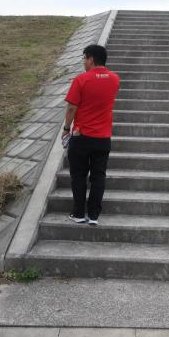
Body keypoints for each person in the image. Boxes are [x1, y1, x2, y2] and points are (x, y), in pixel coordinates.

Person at [62, 44, 120, 226]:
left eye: (84, 59)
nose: (84, 62)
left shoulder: (81, 80)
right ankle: (94, 215)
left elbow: (72, 107)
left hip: (81, 136)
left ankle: (79, 214)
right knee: (98, 176)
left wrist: (66, 128)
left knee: (78, 176)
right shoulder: (115, 79)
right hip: (103, 138)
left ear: (91, 59)